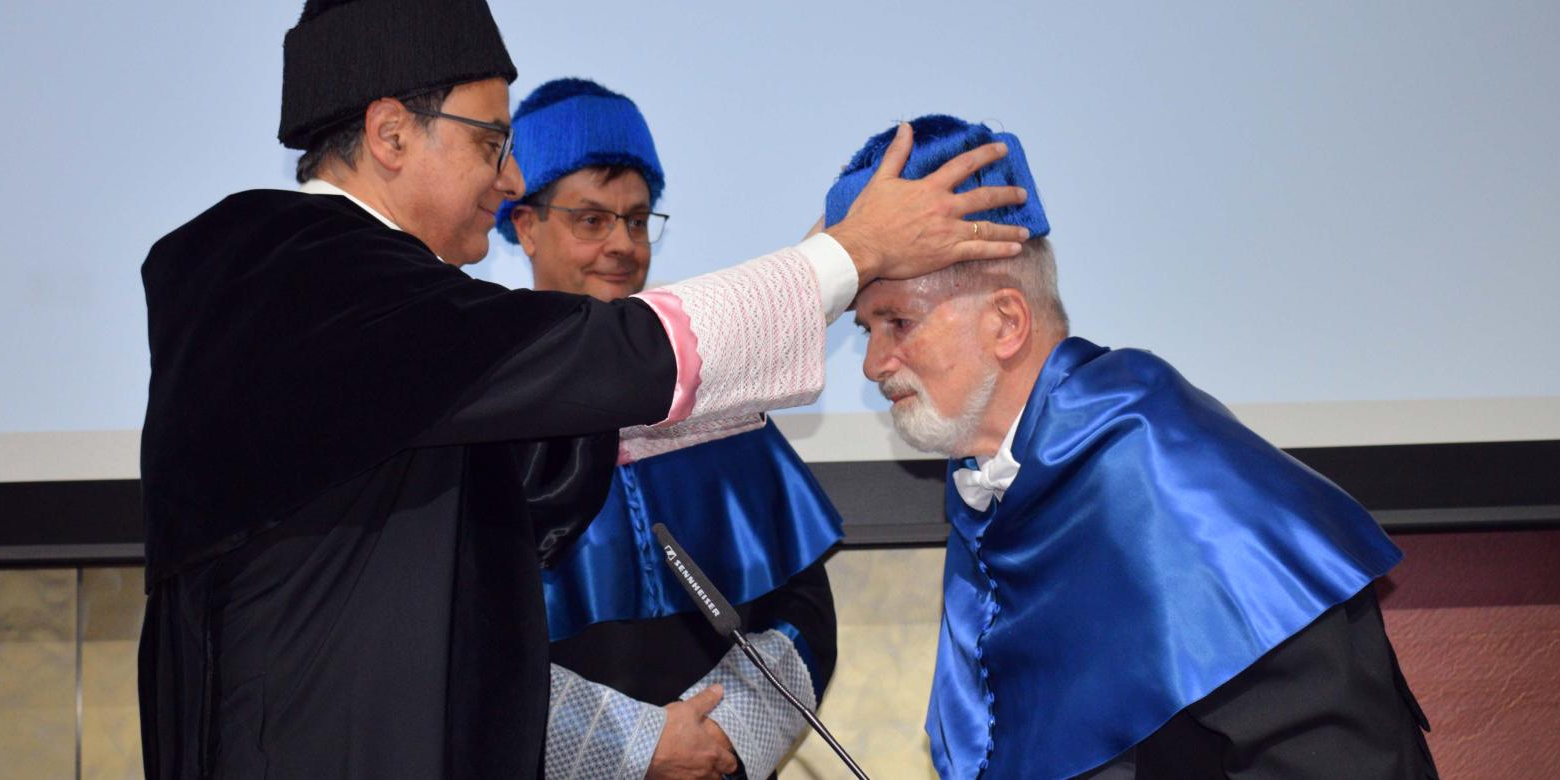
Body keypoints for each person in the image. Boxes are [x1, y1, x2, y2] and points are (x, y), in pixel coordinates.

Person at [134, 0, 1033, 774]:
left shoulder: (344, 301)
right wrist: (847, 255)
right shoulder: (309, 277)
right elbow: (617, 358)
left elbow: (551, 461)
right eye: (492, 141)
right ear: (391, 133)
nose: (510, 177)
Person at [837, 116, 1437, 779]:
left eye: (898, 321)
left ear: (1007, 322)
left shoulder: (1165, 475)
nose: (873, 364)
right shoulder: (999, 487)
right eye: (867, 329)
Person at [496, 78, 843, 779]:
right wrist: (630, 747)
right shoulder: (489, 413)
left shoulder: (718, 403)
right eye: (591, 220)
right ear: (526, 226)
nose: (622, 245)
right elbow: (461, 649)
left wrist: (721, 739)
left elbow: (803, 612)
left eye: (637, 219)